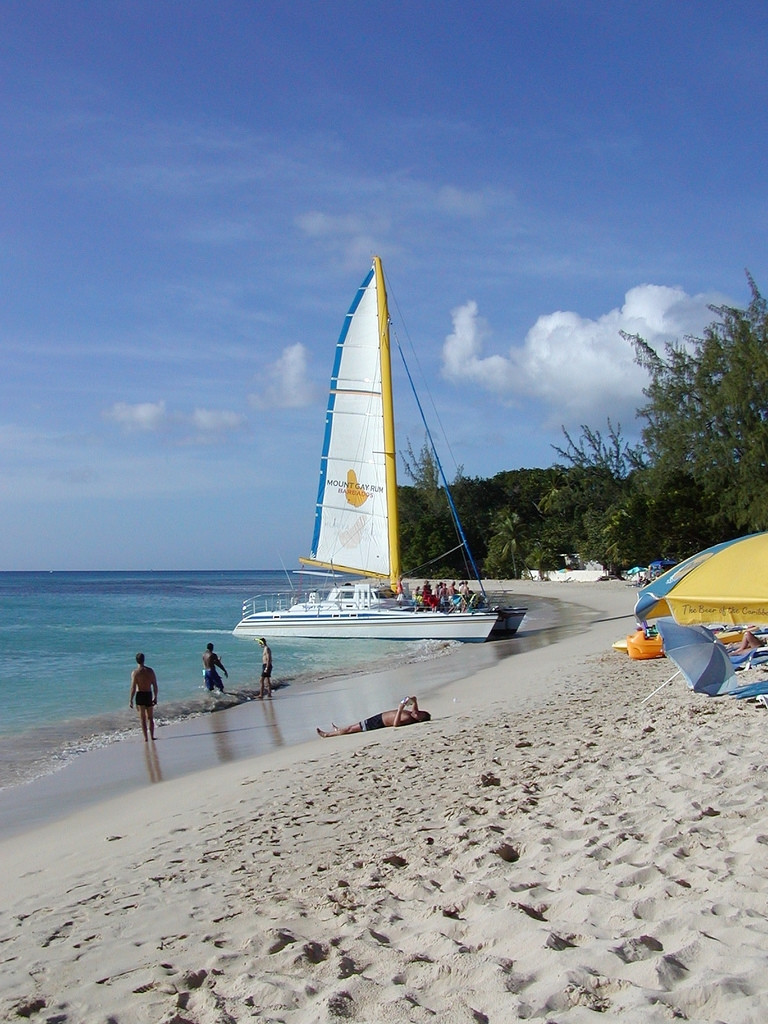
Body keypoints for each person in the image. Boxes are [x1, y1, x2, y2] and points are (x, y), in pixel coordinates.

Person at [316, 695, 431, 738]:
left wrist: (400, 709)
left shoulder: (408, 718)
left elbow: (396, 724)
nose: (416, 712)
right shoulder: (413, 714)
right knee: (355, 725)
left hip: (378, 723)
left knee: (352, 729)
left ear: (419, 719)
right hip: (379, 717)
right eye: (419, 711)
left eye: (419, 714)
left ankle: (327, 734)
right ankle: (339, 730)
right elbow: (415, 703)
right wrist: (412, 700)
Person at [129, 652, 158, 742]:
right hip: (148, 694)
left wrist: (131, 699)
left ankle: (145, 738)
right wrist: (155, 697)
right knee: (150, 717)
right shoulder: (150, 671)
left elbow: (133, 687)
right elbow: (155, 685)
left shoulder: (135, 673)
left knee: (143, 718)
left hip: (140, 695)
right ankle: (152, 736)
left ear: (136, 661)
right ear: (144, 660)